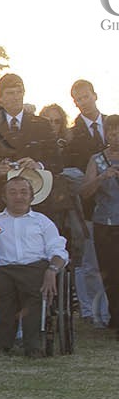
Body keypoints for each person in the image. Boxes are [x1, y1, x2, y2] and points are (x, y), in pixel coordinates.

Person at [0, 176, 69, 356]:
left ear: (32, 197)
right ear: (4, 197)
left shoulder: (43, 222)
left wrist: (52, 271)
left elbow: (58, 249)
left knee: (36, 295)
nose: (18, 197)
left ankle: (33, 345)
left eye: (23, 192)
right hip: (3, 269)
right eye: (12, 192)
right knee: (2, 294)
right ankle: (2, 343)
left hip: (35, 269)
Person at [79, 117, 119, 339]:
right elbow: (85, 192)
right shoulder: (98, 160)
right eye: (111, 132)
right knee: (111, 273)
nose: (115, 136)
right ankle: (115, 316)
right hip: (106, 223)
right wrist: (102, 177)